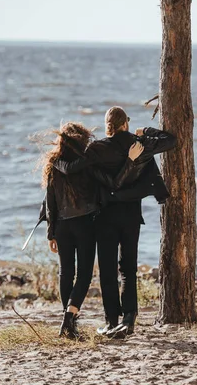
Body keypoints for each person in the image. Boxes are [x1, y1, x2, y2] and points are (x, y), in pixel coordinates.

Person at [54, 106, 176, 338]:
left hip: (104, 216)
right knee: (128, 269)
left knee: (108, 271)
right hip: (131, 216)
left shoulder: (97, 148)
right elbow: (170, 140)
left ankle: (111, 321)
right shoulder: (139, 144)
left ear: (108, 125)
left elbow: (74, 169)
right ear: (125, 123)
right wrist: (145, 130)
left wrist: (55, 161)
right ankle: (129, 318)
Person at [41, 122, 143, 339]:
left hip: (61, 225)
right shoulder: (85, 164)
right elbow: (103, 187)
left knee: (65, 273)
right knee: (84, 275)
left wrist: (51, 232)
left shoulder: (52, 164)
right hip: (85, 224)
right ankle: (69, 318)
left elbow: (50, 201)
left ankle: (69, 322)